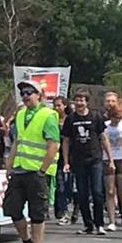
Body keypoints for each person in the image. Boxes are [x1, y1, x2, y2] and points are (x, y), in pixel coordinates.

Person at [4, 79, 59, 243]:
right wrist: (9, 165)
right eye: (23, 93)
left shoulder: (48, 115)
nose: (26, 96)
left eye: (29, 92)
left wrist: (43, 170)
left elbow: (53, 144)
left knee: (37, 213)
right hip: (19, 169)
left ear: (39, 95)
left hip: (36, 171)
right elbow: (17, 141)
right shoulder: (20, 115)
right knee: (13, 209)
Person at [62, 90, 112, 235]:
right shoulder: (70, 119)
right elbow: (66, 141)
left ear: (87, 102)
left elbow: (103, 137)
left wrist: (110, 159)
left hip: (95, 159)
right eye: (77, 100)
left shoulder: (96, 116)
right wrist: (66, 161)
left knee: (97, 192)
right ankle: (88, 224)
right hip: (78, 160)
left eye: (82, 100)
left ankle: (100, 224)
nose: (79, 103)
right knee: (82, 194)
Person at [103, 91, 122, 230]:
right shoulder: (105, 125)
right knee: (110, 191)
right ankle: (111, 220)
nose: (116, 119)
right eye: (114, 116)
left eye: (118, 116)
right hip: (108, 159)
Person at [51, 96, 75, 225]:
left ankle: (74, 209)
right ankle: (61, 210)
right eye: (55, 105)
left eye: (59, 105)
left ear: (65, 106)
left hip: (70, 156)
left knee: (70, 185)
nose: (56, 108)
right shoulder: (52, 119)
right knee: (59, 186)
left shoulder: (70, 120)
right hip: (55, 157)